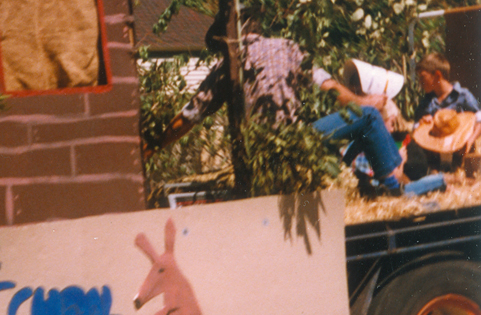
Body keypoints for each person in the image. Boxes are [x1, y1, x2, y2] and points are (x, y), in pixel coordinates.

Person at [157, 30, 404, 195]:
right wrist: (368, 101)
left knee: (348, 133)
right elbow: (332, 90)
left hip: (261, 157)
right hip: (297, 144)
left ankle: (375, 185)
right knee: (369, 117)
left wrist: (155, 145)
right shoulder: (288, 47)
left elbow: (190, 115)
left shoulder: (228, 62)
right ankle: (394, 189)